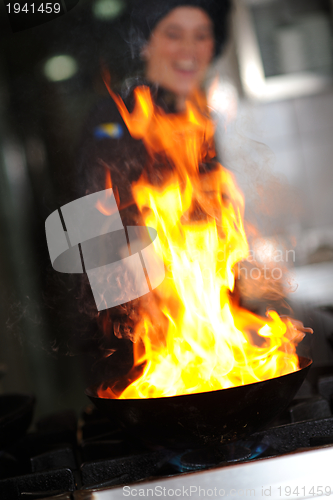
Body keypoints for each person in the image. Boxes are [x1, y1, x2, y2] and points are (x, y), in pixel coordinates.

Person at [76, 0, 232, 385]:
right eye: (174, 35)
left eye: (201, 35)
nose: (189, 49)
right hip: (144, 358)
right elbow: (91, 246)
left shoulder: (194, 121)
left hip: (201, 345)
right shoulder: (113, 123)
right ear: (146, 44)